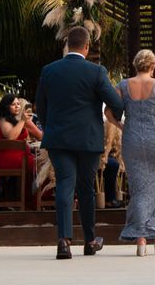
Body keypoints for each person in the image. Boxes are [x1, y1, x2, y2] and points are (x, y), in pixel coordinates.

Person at [36, 26, 124, 260]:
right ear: (86, 47)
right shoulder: (96, 72)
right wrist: (114, 118)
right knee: (86, 188)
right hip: (88, 139)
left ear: (67, 45)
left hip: (58, 139)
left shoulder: (49, 70)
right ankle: (89, 240)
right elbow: (116, 101)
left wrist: (50, 128)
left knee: (65, 185)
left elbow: (41, 107)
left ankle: (63, 241)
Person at [114, 49, 155, 257]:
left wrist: (121, 126)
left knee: (138, 187)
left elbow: (108, 112)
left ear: (136, 65)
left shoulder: (123, 85)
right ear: (152, 66)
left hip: (132, 137)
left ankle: (141, 239)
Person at [0, 94, 36, 208]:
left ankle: (29, 200)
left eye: (18, 104)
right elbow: (11, 137)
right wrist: (22, 121)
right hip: (8, 159)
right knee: (39, 164)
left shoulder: (10, 120)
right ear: (6, 106)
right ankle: (33, 201)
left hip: (15, 157)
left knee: (37, 162)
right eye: (13, 104)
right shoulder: (4, 121)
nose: (17, 106)